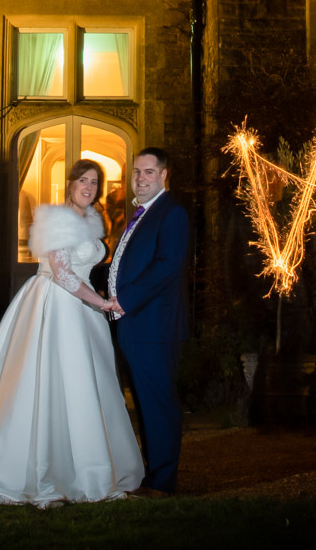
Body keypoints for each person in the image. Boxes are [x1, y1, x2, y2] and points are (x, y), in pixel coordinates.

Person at [0, 159, 143, 506]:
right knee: (52, 384)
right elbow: (62, 274)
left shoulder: (93, 220)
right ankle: (47, 470)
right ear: (69, 184)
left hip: (84, 312)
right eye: (83, 180)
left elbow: (89, 267)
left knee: (85, 386)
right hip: (58, 307)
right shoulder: (55, 218)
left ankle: (85, 466)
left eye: (95, 182)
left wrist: (106, 298)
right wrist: (101, 303)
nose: (89, 187)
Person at [108, 147, 189, 495]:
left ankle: (163, 482)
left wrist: (125, 299)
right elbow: (129, 263)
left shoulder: (172, 213)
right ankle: (152, 475)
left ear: (164, 175)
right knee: (144, 404)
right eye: (137, 172)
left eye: (149, 172)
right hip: (135, 325)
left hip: (154, 327)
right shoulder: (142, 214)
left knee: (159, 406)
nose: (140, 178)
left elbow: (167, 266)